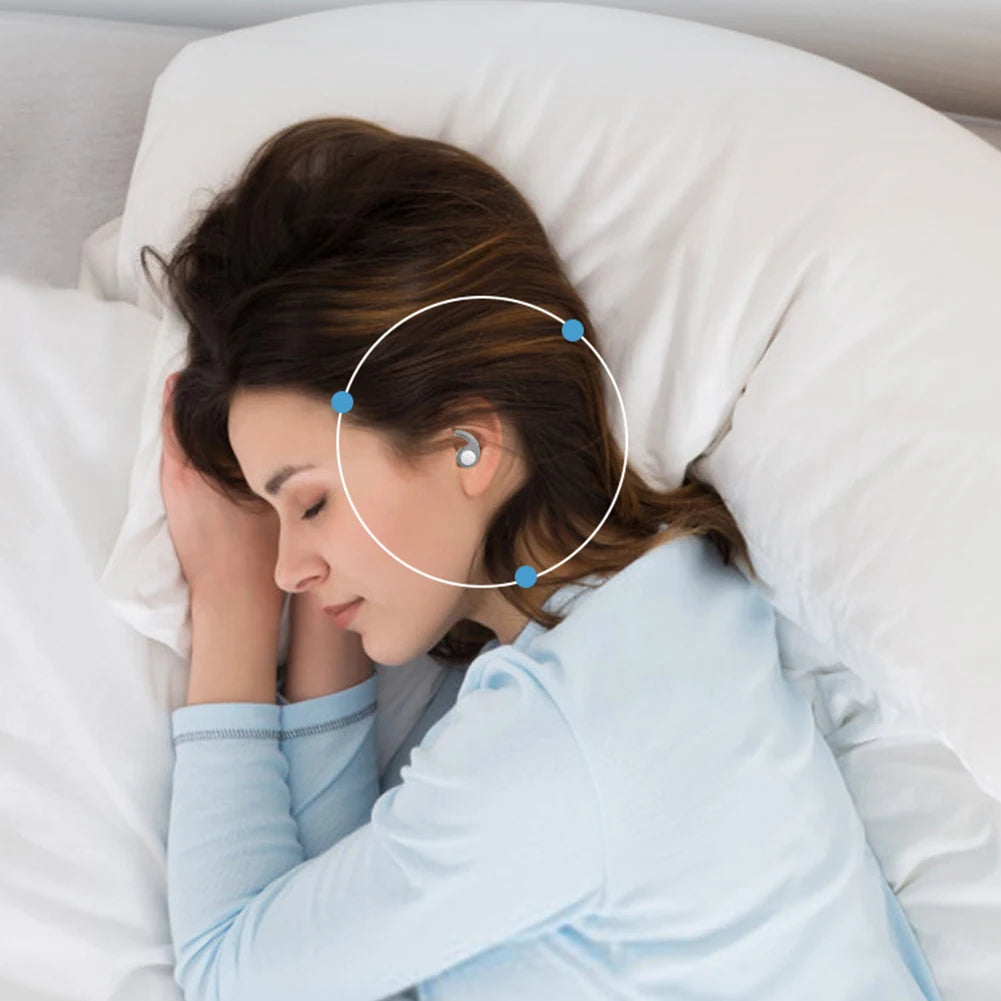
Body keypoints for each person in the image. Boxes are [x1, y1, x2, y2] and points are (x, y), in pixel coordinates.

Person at [150, 116, 942, 1000]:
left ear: (465, 447)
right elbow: (332, 924)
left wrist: (228, 603)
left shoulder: (562, 738)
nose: (285, 564)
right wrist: (326, 597)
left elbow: (229, 972)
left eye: (310, 502)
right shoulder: (664, 609)